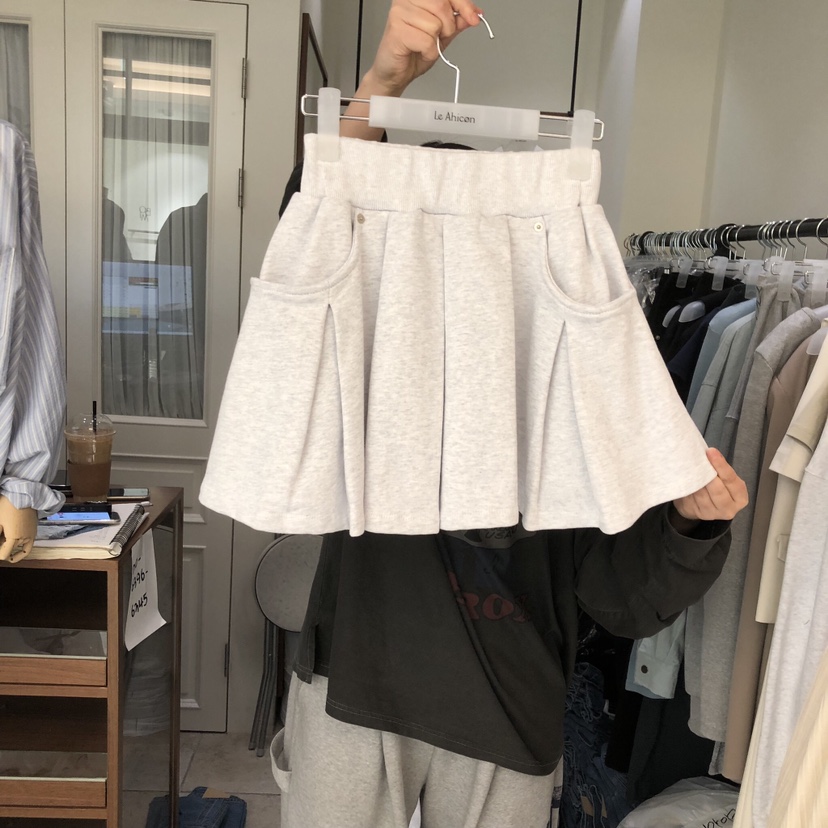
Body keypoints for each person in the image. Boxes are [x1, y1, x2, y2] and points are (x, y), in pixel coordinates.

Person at [270, 2, 749, 827]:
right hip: (358, 674)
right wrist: (383, 84)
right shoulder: (367, 337)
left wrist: (691, 525)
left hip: (506, 702)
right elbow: (313, 236)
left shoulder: (575, 365)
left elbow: (620, 597)